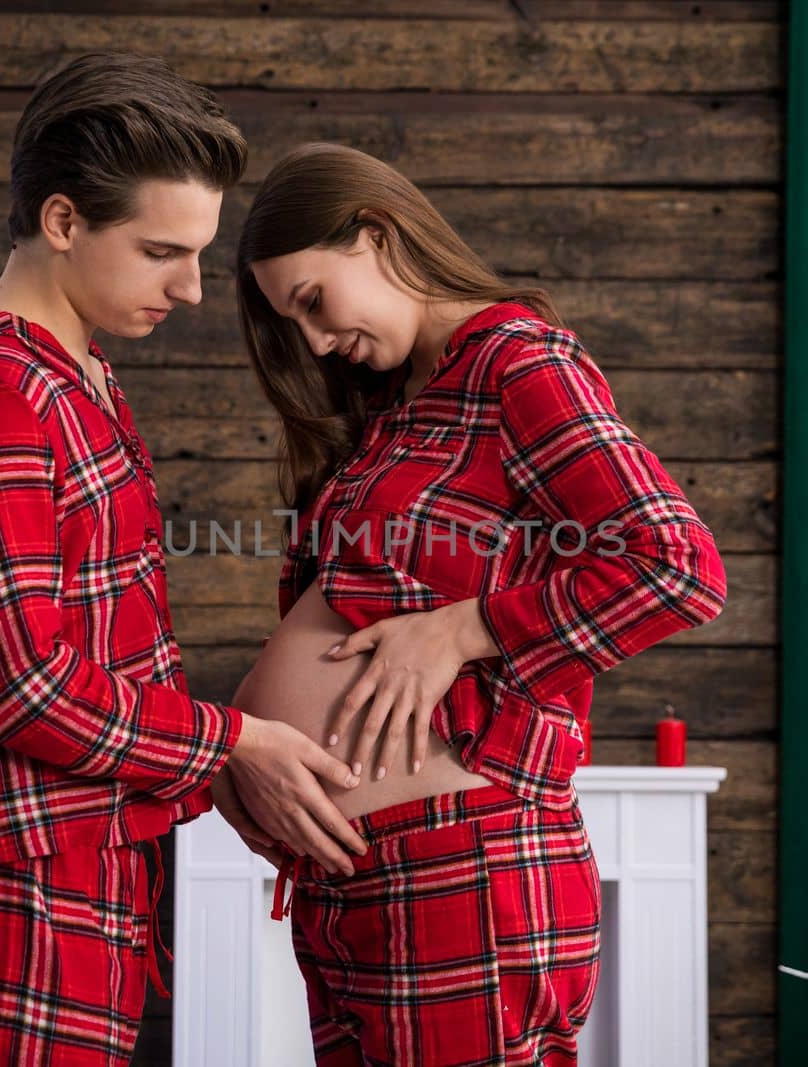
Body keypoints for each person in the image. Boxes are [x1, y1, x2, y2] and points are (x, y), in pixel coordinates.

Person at [0, 58, 365, 1066]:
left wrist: (205, 775)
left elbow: (104, 651)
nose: (190, 286)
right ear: (62, 221)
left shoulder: (80, 379)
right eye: (161, 250)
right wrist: (232, 741)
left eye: (200, 252)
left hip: (82, 867)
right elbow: (16, 684)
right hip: (3, 883)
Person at [219, 142, 730, 1065]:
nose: (316, 342)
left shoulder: (515, 365)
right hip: (358, 890)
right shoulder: (399, 406)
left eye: (312, 302)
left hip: (462, 874)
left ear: (374, 235)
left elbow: (678, 564)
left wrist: (463, 630)